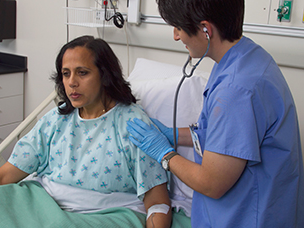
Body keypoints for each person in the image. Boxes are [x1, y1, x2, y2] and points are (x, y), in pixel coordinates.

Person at [0, 35, 171, 228]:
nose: (71, 83)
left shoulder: (132, 124)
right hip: (42, 201)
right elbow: (3, 176)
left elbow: (157, 201)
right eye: (66, 74)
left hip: (102, 213)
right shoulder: (57, 120)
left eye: (82, 73)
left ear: (105, 75)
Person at [126, 0, 304, 227]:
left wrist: (165, 154)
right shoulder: (247, 57)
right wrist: (173, 134)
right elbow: (229, 137)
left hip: (248, 218)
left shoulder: (235, 90)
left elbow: (212, 183)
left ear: (205, 30)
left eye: (178, 28)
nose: (176, 36)